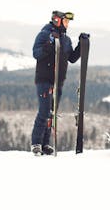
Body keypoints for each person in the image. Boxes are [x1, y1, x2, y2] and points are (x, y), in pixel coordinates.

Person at [30, 10, 81, 156]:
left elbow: (71, 58)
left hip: (58, 81)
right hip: (44, 79)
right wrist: (50, 43)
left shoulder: (65, 39)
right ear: (57, 20)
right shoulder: (44, 34)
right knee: (44, 111)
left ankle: (46, 143)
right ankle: (36, 143)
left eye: (68, 22)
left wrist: (81, 45)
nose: (67, 24)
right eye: (65, 21)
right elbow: (36, 53)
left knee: (52, 113)